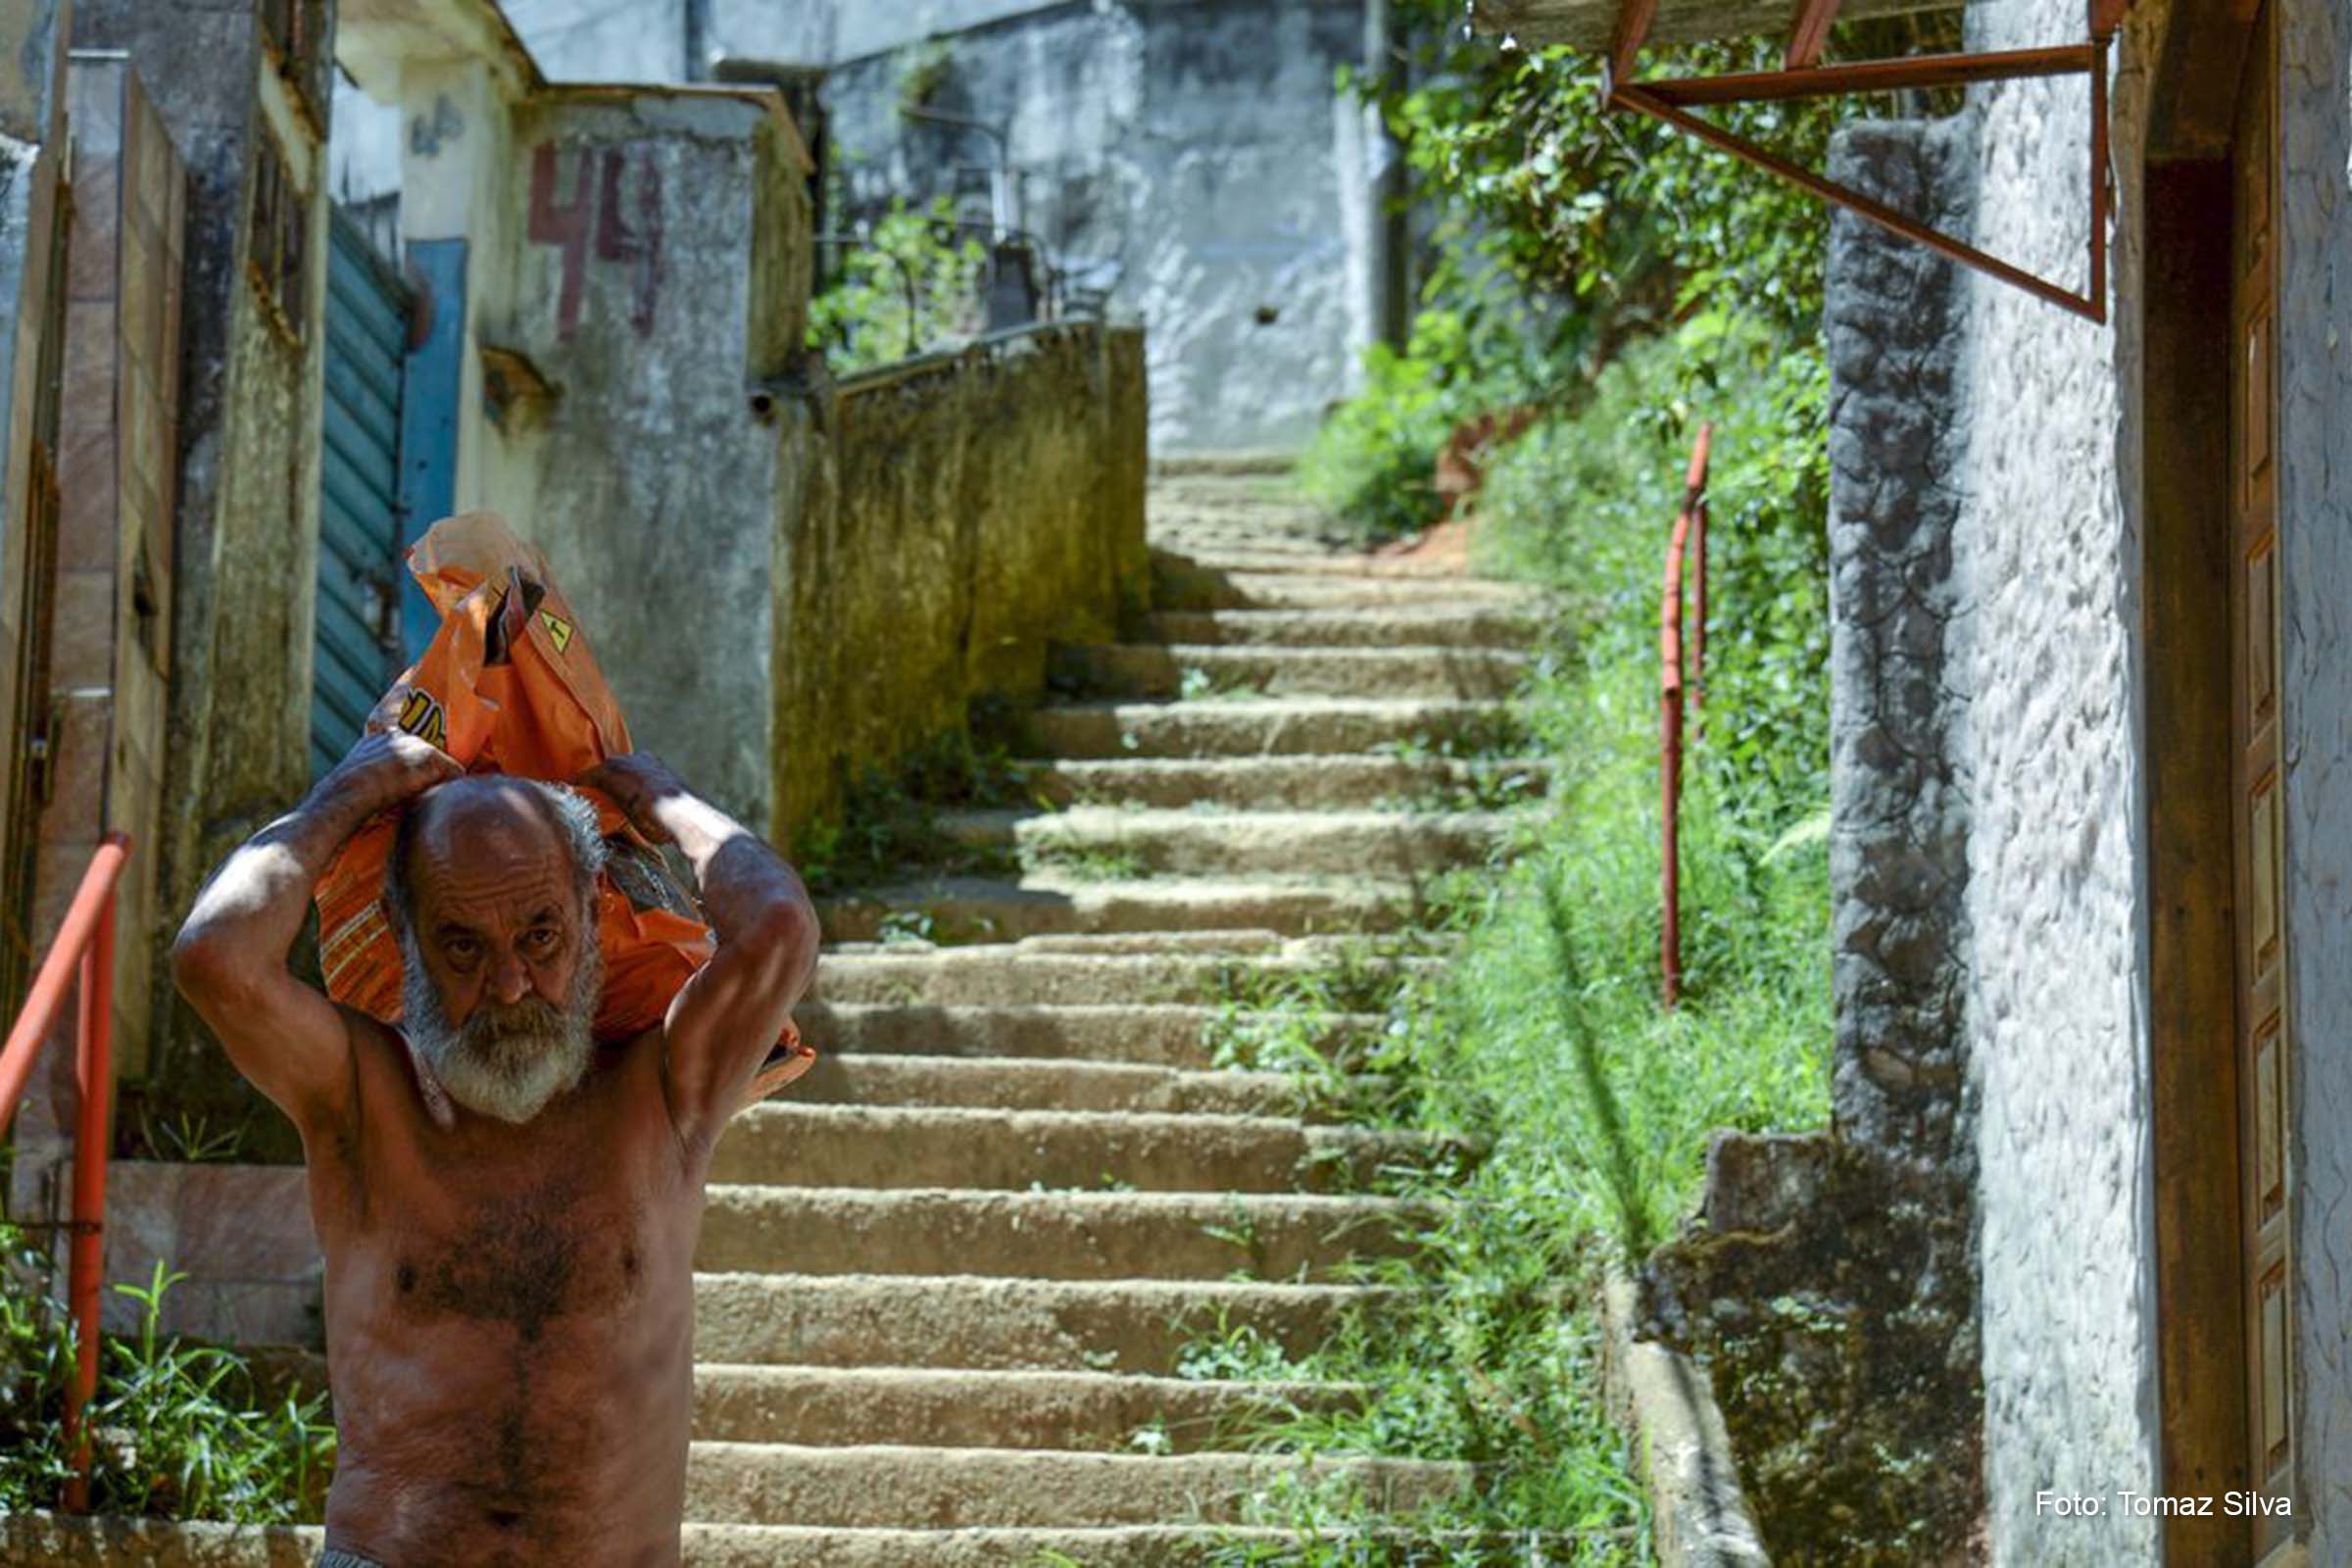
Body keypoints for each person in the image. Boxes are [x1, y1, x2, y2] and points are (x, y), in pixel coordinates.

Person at [171, 725, 818, 1568]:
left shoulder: (663, 1091)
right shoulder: (360, 1096)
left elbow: (780, 928)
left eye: (540, 936)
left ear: (591, 912)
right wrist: (346, 795)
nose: (510, 985)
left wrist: (664, 800)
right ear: (403, 932)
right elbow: (215, 955)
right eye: (462, 945)